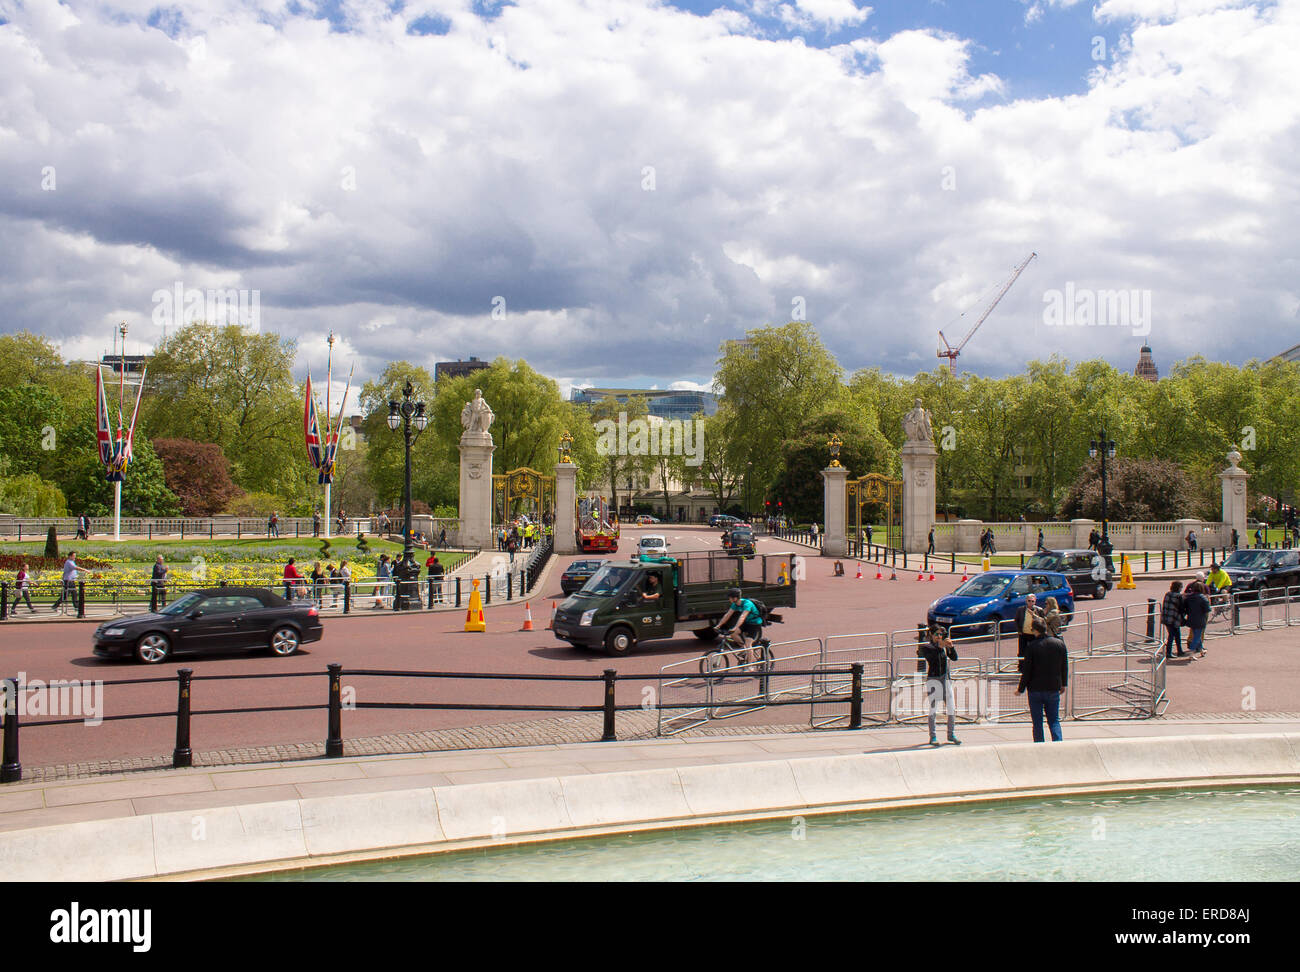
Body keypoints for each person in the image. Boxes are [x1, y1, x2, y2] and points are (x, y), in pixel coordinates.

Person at [1017, 617, 1068, 743]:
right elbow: (1064, 666)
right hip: (1053, 687)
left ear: (1034, 630)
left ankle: (1039, 745)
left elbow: (1027, 670)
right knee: (1054, 720)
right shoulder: (1059, 644)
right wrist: (1063, 683)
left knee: (1037, 722)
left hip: (1035, 689)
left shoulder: (1032, 647)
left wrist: (1021, 688)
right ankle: (1058, 743)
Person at [918, 623, 961, 746]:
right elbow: (931, 656)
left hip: (945, 679)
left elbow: (954, 658)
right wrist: (940, 645)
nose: (939, 636)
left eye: (941, 634)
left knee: (951, 709)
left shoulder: (944, 647)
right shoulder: (927, 647)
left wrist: (951, 647)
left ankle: (951, 734)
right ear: (931, 635)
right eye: (937, 634)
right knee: (933, 710)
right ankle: (933, 737)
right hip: (934, 680)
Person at [716, 588, 763, 662]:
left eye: (730, 597)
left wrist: (735, 627)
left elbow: (742, 617)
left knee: (748, 644)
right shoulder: (735, 604)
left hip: (754, 623)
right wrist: (718, 625)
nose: (729, 599)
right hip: (747, 622)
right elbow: (727, 615)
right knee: (733, 634)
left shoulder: (747, 604)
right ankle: (744, 649)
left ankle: (749, 666)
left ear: (735, 598)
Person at [1184, 580, 1211, 659]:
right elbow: (1207, 609)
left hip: (1191, 618)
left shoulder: (1189, 597)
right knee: (1196, 636)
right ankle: (1191, 653)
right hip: (1200, 619)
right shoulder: (1203, 598)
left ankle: (1201, 650)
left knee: (1197, 635)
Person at [1161, 580, 1187, 659]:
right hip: (1174, 618)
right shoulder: (1179, 596)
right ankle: (1169, 652)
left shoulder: (1168, 594)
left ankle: (1179, 650)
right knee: (1172, 636)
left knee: (1175, 635)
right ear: (1178, 588)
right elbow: (1181, 608)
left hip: (1166, 617)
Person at [1014, 592, 1040, 669]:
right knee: (1022, 651)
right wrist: (1019, 630)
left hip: (1034, 634)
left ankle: (1033, 666)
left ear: (1035, 602)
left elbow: (1042, 621)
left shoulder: (1039, 610)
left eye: (1032, 601)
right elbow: (1016, 620)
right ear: (1026, 601)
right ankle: (1021, 667)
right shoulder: (1020, 609)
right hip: (1023, 634)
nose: (1031, 603)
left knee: (1034, 651)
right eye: (1029, 601)